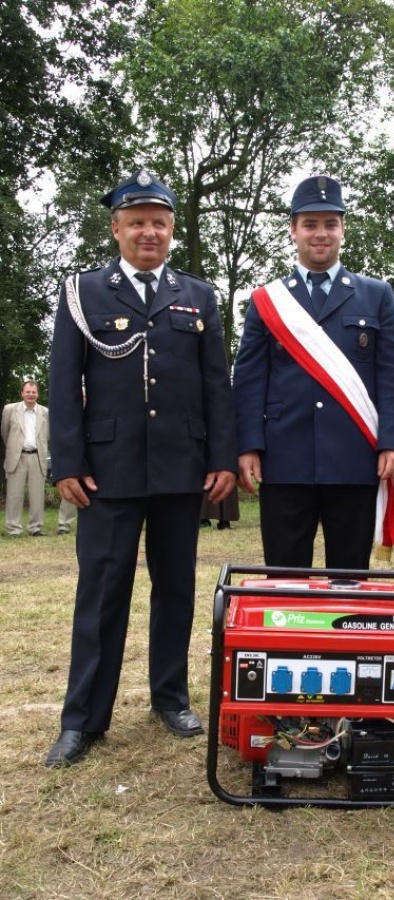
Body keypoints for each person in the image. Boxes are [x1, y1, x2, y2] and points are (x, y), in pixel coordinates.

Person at [44, 168, 238, 768]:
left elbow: (216, 384)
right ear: (116, 228)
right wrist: (67, 462)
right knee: (101, 593)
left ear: (172, 229)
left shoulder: (199, 295)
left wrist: (222, 459)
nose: (147, 232)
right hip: (107, 469)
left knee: (176, 588)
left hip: (183, 469)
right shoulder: (82, 291)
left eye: (158, 222)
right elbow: (63, 379)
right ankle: (83, 720)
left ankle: (171, 697)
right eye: (136, 223)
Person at [233, 175, 394, 568]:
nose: (321, 234)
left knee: (349, 582)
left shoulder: (376, 294)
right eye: (310, 224)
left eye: (330, 224)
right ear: (293, 230)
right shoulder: (267, 301)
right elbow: (248, 380)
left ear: (342, 230)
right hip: (284, 460)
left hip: (353, 458)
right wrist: (247, 445)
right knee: (284, 581)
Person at [2, 379, 49, 536]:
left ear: (38, 394)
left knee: (37, 495)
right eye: (27, 392)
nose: (30, 394)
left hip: (37, 457)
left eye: (33, 392)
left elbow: (47, 435)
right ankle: (13, 528)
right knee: (14, 495)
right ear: (21, 393)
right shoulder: (10, 410)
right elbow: (5, 433)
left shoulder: (45, 412)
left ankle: (35, 528)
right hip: (17, 457)